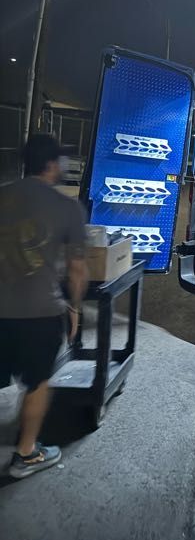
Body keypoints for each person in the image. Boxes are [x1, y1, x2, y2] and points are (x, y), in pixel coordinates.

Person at [0, 135, 88, 479]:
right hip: (39, 312)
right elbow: (77, 268)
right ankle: (26, 454)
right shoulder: (67, 207)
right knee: (36, 383)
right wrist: (75, 308)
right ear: (52, 164)